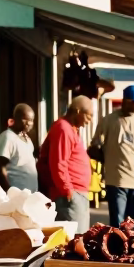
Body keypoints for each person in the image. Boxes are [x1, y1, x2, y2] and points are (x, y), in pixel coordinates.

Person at [89, 84, 134, 226]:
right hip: (116, 181)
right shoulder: (109, 120)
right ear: (125, 100)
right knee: (117, 224)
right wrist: (107, 157)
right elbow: (93, 147)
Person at [38, 95, 93, 231]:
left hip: (77, 193)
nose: (89, 122)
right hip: (70, 194)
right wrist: (67, 190)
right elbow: (58, 162)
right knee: (74, 239)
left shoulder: (70, 128)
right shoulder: (64, 128)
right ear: (78, 111)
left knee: (80, 236)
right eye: (88, 116)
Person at [0, 103, 37, 191]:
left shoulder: (27, 139)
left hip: (29, 197)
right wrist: (9, 191)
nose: (29, 123)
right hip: (15, 197)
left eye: (31, 120)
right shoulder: (8, 137)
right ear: (15, 118)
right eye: (25, 119)